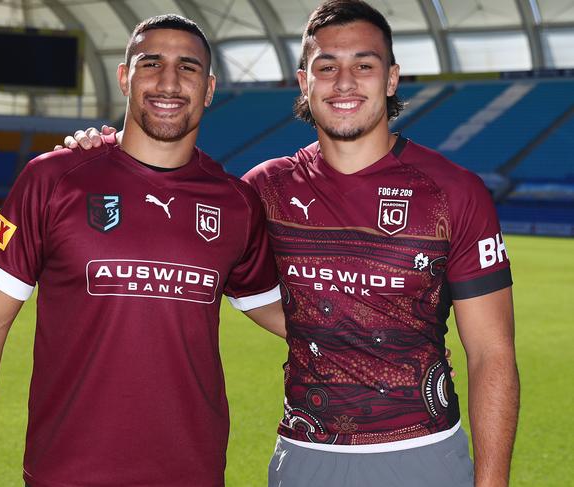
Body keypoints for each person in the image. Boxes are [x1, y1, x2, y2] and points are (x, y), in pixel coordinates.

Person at [62, 1, 520, 486]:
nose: (344, 83)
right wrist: (101, 154)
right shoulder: (264, 190)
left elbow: (492, 352)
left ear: (391, 79)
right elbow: (173, 222)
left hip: (423, 452)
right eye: (327, 67)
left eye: (363, 65)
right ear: (304, 82)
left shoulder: (453, 192)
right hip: (303, 457)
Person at [0, 15, 286, 487]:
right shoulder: (53, 179)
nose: (168, 82)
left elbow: (288, 314)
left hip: (192, 473)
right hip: (67, 471)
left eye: (188, 68)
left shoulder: (235, 202)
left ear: (208, 88)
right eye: (151, 63)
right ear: (124, 77)